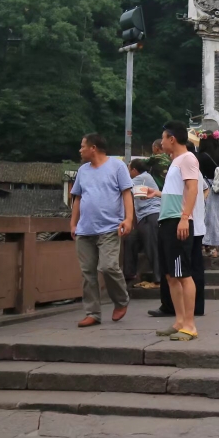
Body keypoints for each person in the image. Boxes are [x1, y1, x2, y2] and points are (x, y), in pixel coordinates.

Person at [70, 133, 133, 328]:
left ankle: (121, 300)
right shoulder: (83, 170)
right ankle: (92, 313)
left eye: (83, 146)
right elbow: (78, 198)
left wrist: (128, 219)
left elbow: (127, 193)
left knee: (108, 267)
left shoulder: (117, 166)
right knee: (87, 272)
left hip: (110, 227)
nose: (80, 150)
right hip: (85, 229)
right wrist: (73, 223)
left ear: (93, 148)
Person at [156, 121, 203, 341]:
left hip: (178, 221)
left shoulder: (188, 158)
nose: (161, 142)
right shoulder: (176, 161)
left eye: (163, 138)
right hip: (167, 221)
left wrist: (185, 218)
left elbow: (193, 189)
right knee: (171, 275)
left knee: (183, 274)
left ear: (172, 139)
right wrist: (156, 194)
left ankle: (190, 325)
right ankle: (180, 321)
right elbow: (177, 192)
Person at [125, 159, 161, 288]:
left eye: (129, 169)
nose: (128, 173)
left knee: (152, 248)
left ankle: (158, 280)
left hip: (151, 215)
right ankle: (130, 274)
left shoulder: (142, 177)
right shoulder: (142, 179)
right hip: (143, 218)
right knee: (130, 240)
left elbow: (121, 186)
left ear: (134, 170)